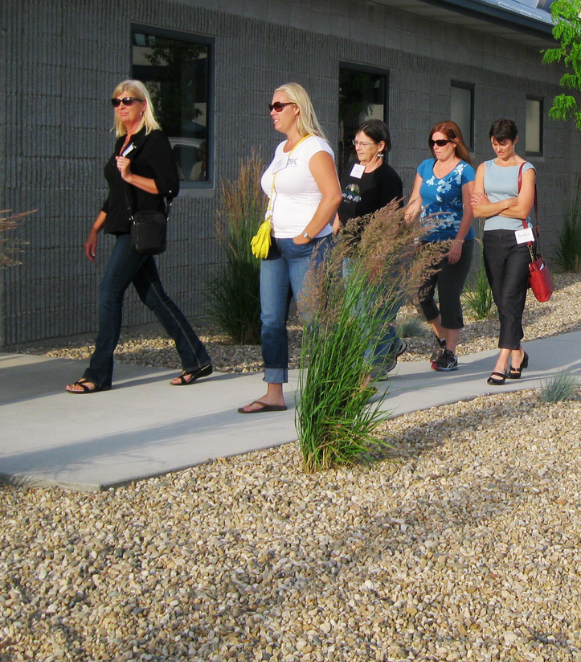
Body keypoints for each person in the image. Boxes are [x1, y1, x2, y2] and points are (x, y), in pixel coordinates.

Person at [66, 80, 213, 393]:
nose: (121, 106)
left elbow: (170, 186)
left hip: (140, 229)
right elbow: (116, 194)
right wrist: (94, 229)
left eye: (128, 101)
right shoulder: (123, 141)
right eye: (116, 101)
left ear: (143, 105)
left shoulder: (154, 139)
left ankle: (98, 374)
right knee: (154, 297)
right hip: (124, 229)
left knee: (109, 293)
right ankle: (196, 358)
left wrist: (132, 175)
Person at [238, 83, 341, 413]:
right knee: (270, 320)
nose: (272, 110)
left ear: (297, 108)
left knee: (315, 321)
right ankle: (273, 392)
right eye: (271, 105)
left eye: (279, 105)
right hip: (274, 246)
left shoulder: (316, 148)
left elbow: (333, 195)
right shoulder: (282, 150)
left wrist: (308, 234)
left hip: (305, 248)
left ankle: (328, 388)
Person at [335, 118, 406, 372]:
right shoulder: (352, 166)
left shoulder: (388, 178)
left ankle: (370, 370)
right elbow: (342, 197)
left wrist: (378, 258)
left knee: (370, 313)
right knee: (356, 311)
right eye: (356, 142)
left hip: (373, 253)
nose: (358, 147)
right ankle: (392, 343)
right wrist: (335, 222)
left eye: (364, 143)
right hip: (349, 250)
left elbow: (393, 222)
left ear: (381, 146)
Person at [470, 118, 536, 385]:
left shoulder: (526, 169)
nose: (499, 148)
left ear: (515, 140)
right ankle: (518, 352)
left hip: (519, 240)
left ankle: (502, 361)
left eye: (504, 143)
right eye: (495, 143)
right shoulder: (484, 168)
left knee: (511, 297)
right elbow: (476, 211)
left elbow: (523, 211)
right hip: (492, 239)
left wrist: (494, 204)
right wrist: (510, 200)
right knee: (501, 299)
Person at [405, 120, 475, 372]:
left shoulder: (465, 171)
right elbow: (416, 199)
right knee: (420, 294)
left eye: (441, 142)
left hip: (455, 241)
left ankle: (450, 352)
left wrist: (457, 243)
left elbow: (470, 210)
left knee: (448, 297)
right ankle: (442, 336)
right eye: (432, 142)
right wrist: (409, 216)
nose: (435, 146)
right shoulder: (425, 167)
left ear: (454, 142)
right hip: (426, 240)